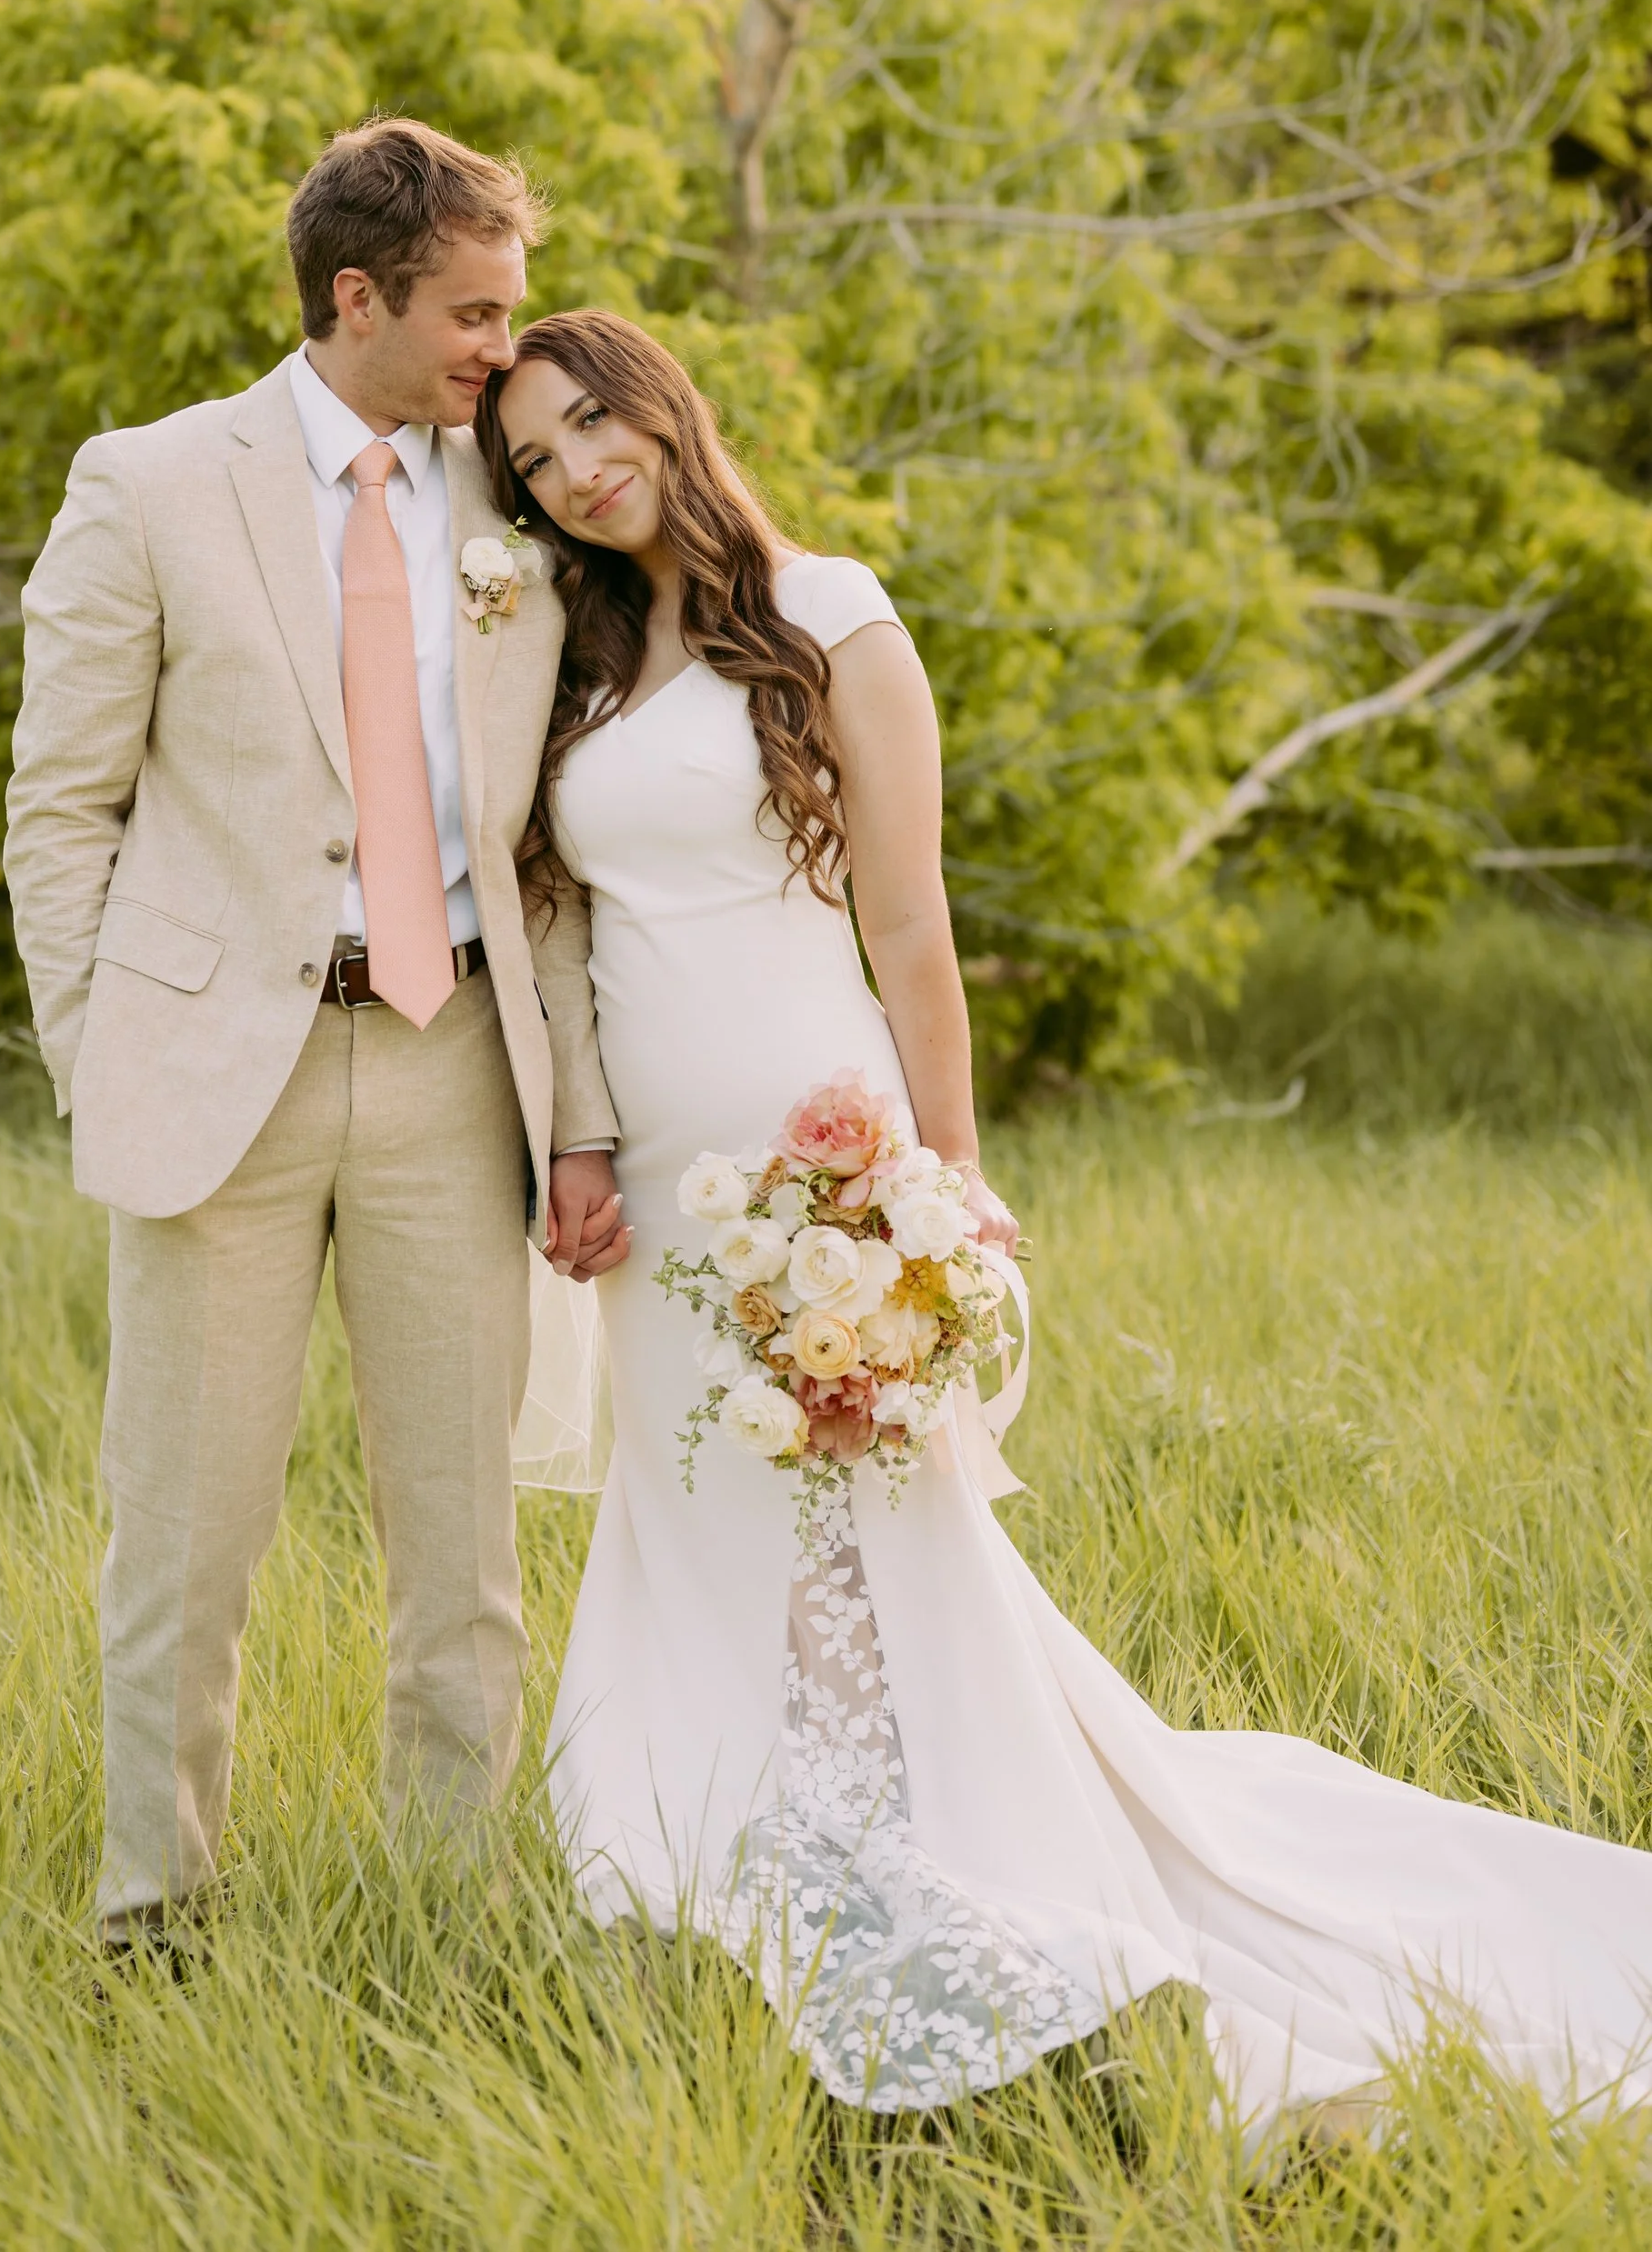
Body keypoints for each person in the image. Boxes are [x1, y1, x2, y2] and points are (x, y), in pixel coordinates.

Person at [477, 306, 1652, 2136]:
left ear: (657, 403)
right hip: (659, 1197)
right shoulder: (581, 657)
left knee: (868, 1524)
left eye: (583, 428)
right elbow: (566, 929)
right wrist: (580, 1144)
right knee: (692, 1523)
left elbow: (910, 927)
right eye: (534, 464)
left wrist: (938, 1178)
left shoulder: (829, 613)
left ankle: (914, 1856)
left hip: (816, 1152)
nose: (571, 475)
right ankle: (693, 1847)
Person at [4, 121, 631, 1954]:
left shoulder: (515, 499)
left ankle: (443, 1914)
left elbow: (551, 850)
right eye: (470, 310)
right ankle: (153, 1915)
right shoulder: (144, 484)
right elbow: (58, 812)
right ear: (353, 298)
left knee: (463, 1551)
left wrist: (575, 1113)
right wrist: (95, 1055)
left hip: (455, 1073)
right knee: (183, 1542)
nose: (500, 352)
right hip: (222, 1082)